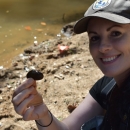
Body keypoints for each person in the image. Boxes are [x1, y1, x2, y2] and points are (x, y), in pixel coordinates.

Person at [12, 0, 130, 129]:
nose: (102, 47)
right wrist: (42, 114)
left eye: (116, 33)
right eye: (95, 38)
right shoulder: (108, 85)